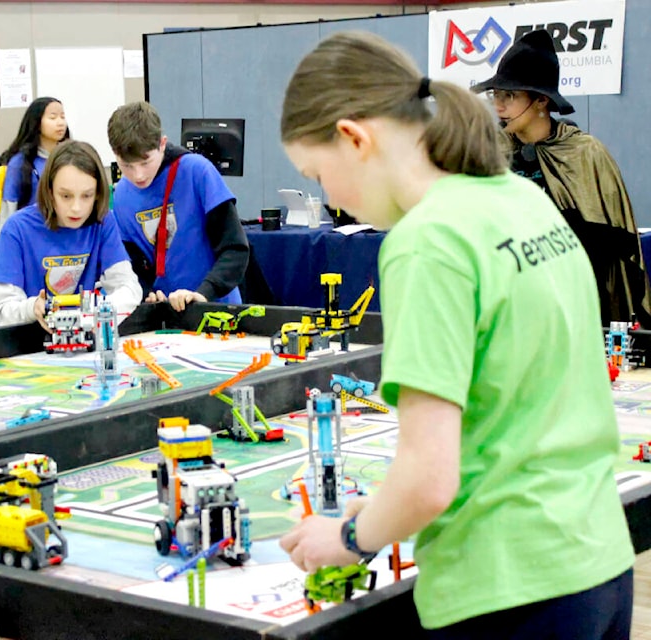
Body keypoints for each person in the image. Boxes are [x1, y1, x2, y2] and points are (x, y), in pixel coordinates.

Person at [277, 32, 633, 638]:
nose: (329, 202)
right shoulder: (522, 199)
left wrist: (348, 536)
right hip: (597, 562)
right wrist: (387, 510)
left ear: (354, 138)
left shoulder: (427, 243)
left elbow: (429, 477)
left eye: (317, 175)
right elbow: (514, 411)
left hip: (506, 588)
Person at [472, 30, 651, 328]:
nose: (499, 106)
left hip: (575, 303)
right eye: (496, 95)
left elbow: (617, 243)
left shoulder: (584, 153)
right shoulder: (493, 151)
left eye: (510, 96)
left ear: (541, 101)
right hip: (510, 302)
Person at [107, 101, 248, 311]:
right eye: (126, 166)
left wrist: (204, 293)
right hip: (164, 315)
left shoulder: (197, 172)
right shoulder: (121, 195)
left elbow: (235, 249)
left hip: (215, 307)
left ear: (162, 144)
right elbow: (134, 265)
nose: (138, 175)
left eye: (146, 162)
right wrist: (147, 293)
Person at [0, 139, 141, 328]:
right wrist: (32, 308)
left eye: (87, 196)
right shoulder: (16, 228)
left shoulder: (103, 221)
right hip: (29, 341)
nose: (76, 208)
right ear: (49, 191)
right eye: (66, 196)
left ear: (99, 194)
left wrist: (96, 313)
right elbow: (1, 310)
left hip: (85, 334)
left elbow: (129, 287)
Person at [0, 97, 69, 227]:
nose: (60, 123)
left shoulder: (70, 159)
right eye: (53, 118)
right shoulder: (19, 163)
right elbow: (8, 211)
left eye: (62, 117)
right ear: (36, 122)